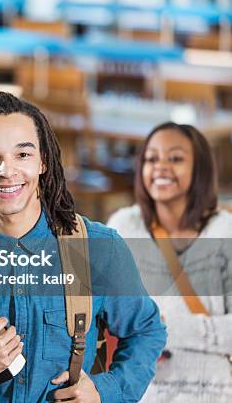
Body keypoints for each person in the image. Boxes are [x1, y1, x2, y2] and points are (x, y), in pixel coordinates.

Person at [0, 91, 167, 401]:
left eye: (22, 154)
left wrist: (106, 392)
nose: (6, 171)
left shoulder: (98, 249)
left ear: (43, 161)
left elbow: (147, 331)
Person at [107, 122, 232, 402]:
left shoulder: (226, 232)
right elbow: (109, 313)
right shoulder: (124, 227)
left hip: (211, 393)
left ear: (199, 169)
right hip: (142, 392)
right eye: (152, 159)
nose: (161, 166)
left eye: (175, 158)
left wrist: (156, 330)